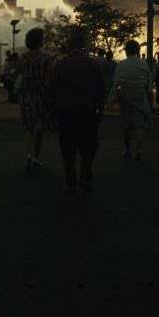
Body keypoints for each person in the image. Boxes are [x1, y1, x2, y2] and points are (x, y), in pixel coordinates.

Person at [49, 26, 105, 194]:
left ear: (69, 45)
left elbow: (53, 91)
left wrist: (55, 111)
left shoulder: (61, 65)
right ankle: (85, 176)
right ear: (84, 45)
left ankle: (70, 181)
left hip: (66, 113)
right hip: (88, 112)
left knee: (68, 148)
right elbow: (101, 90)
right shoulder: (93, 65)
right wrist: (100, 110)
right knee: (89, 146)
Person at [18, 28, 57, 170]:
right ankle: (36, 157)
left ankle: (28, 155)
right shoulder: (46, 58)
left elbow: (17, 72)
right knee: (40, 128)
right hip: (42, 95)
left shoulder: (23, 58)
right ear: (40, 41)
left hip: (27, 94)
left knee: (28, 127)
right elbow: (52, 77)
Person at [110, 39, 152, 160]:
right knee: (140, 123)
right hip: (139, 94)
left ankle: (127, 149)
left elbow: (116, 82)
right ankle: (138, 149)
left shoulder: (122, 64)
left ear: (126, 51)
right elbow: (148, 81)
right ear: (138, 51)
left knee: (126, 123)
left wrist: (113, 98)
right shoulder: (143, 64)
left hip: (125, 95)